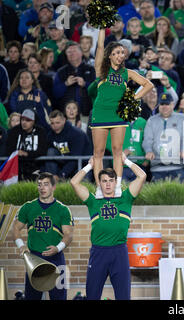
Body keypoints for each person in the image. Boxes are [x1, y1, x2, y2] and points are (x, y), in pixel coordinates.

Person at [70, 154, 146, 300]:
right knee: (92, 295)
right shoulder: (93, 202)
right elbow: (74, 182)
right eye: (104, 181)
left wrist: (126, 161)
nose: (108, 184)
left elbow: (142, 176)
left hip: (119, 252)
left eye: (111, 180)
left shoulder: (125, 199)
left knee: (124, 297)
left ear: (116, 182)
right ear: (99, 183)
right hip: (99, 252)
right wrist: (89, 166)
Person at [91, 28, 154, 198]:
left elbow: (148, 84)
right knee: (99, 152)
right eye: (117, 52)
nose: (121, 55)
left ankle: (117, 185)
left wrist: (133, 98)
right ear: (109, 55)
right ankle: (99, 187)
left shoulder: (128, 73)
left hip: (118, 114)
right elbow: (99, 46)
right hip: (100, 114)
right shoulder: (101, 70)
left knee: (118, 150)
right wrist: (102, 28)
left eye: (122, 52)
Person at [12, 172, 74, 300]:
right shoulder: (28, 207)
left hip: (56, 258)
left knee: (59, 297)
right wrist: (21, 245)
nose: (42, 188)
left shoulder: (63, 209)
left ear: (53, 187)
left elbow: (68, 235)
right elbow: (16, 228)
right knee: (32, 297)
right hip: (34, 259)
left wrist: (58, 248)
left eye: (46, 184)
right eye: (39, 185)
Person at [143, 92, 184, 181]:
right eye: (162, 104)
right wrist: (148, 151)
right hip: (157, 167)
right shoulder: (152, 120)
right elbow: (147, 139)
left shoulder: (182, 118)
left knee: (179, 194)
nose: (164, 107)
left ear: (172, 104)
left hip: (177, 167)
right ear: (158, 105)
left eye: (167, 104)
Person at [45, 110, 91, 181]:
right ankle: (51, 180)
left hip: (82, 164)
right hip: (64, 163)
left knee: (83, 183)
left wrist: (61, 175)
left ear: (64, 121)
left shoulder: (77, 134)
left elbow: (75, 158)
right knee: (51, 151)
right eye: (52, 123)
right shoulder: (50, 135)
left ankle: (57, 179)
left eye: (57, 122)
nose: (55, 126)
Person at [53, 42, 96, 117]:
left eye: (74, 51)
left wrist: (85, 84)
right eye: (69, 52)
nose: (71, 54)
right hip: (66, 116)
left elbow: (98, 90)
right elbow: (55, 94)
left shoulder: (91, 69)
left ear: (81, 53)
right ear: (66, 55)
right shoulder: (61, 72)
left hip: (87, 114)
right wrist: (65, 84)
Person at [5, 108, 48, 181]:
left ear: (34, 121)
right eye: (22, 119)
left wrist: (27, 154)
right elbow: (8, 150)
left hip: (36, 166)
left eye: (28, 120)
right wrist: (17, 153)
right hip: (17, 167)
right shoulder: (14, 131)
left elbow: (43, 151)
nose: (24, 122)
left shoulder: (41, 132)